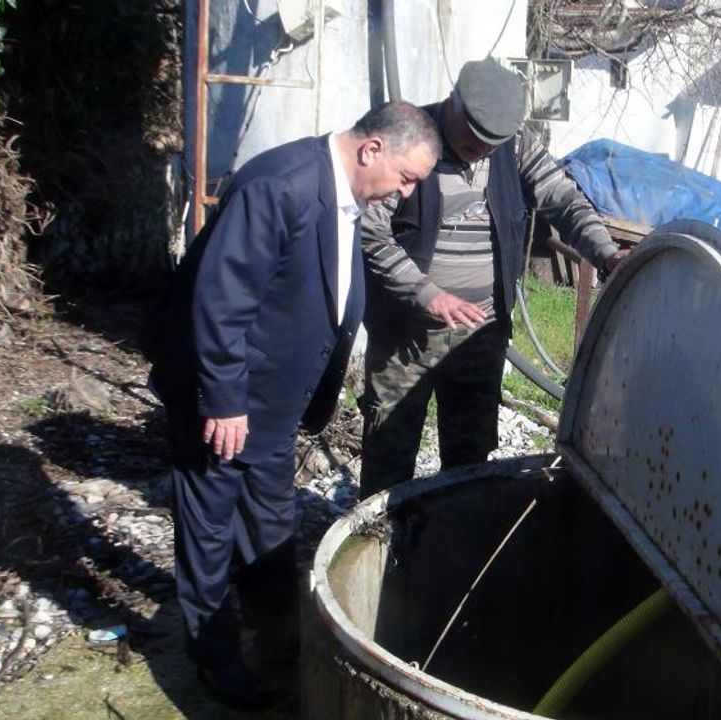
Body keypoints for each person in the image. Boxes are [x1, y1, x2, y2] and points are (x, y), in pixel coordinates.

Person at [148, 100, 439, 709]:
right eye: (407, 177)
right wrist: (223, 399)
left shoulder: (345, 197)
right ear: (372, 149)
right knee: (209, 530)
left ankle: (279, 647)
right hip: (224, 403)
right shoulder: (280, 185)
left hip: (273, 407)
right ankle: (214, 658)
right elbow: (220, 299)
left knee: (269, 527)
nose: (406, 193)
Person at [359, 58, 627, 499]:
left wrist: (606, 253)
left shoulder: (514, 146)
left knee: (470, 460)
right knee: (388, 454)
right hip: (405, 335)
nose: (482, 150)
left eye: (491, 144)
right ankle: (387, 537)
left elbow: (563, 199)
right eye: (473, 138)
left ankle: (458, 535)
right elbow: (370, 232)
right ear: (453, 103)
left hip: (480, 334)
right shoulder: (410, 137)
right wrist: (426, 294)